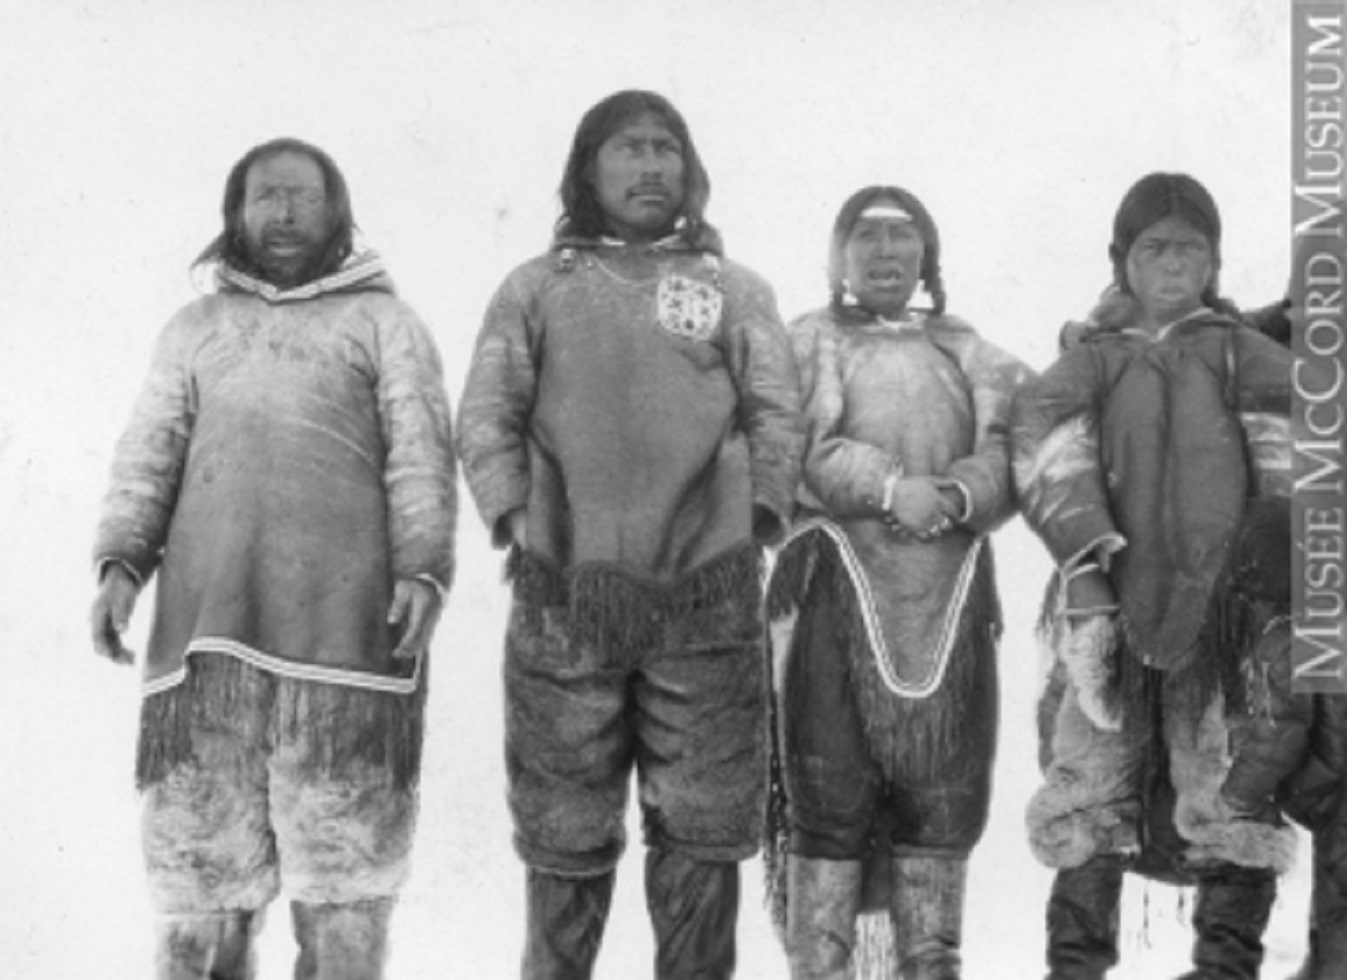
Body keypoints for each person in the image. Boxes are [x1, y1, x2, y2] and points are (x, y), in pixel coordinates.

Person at [90, 137, 458, 980]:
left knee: (344, 869)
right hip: (208, 639)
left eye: (303, 196)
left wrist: (424, 567)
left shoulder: (383, 323)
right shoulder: (196, 329)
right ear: (235, 213)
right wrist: (120, 565)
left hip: (345, 645)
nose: (284, 212)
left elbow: (420, 456)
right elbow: (150, 452)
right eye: (266, 196)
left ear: (337, 212)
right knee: (200, 871)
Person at [455, 89, 803, 979]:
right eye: (627, 148)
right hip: (565, 594)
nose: (650, 166)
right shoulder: (537, 288)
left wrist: (751, 520)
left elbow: (775, 412)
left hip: (706, 590)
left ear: (689, 172)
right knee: (563, 818)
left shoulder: (733, 290)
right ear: (587, 168)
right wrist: (521, 519)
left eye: (666, 149)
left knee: (703, 817)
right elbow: (487, 412)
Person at [1014, 172, 1301, 980]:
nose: (1173, 262)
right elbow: (1042, 436)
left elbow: (1291, 447)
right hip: (1104, 603)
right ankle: (1075, 967)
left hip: (1226, 620)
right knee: (1088, 780)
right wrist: (1083, 556)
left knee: (1229, 785)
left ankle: (1223, 968)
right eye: (1154, 246)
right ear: (1121, 260)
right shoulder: (1092, 361)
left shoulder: (1239, 350)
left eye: (1191, 247)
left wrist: (1264, 580)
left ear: (1213, 263)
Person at [763, 185, 1032, 979]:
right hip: (835, 594)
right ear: (839, 256)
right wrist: (886, 489)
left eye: (902, 238)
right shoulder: (808, 340)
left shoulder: (967, 348)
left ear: (926, 255)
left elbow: (1027, 429)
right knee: (828, 796)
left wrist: (957, 493)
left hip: (948, 599)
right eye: (867, 237)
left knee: (942, 804)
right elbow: (793, 438)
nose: (885, 253)